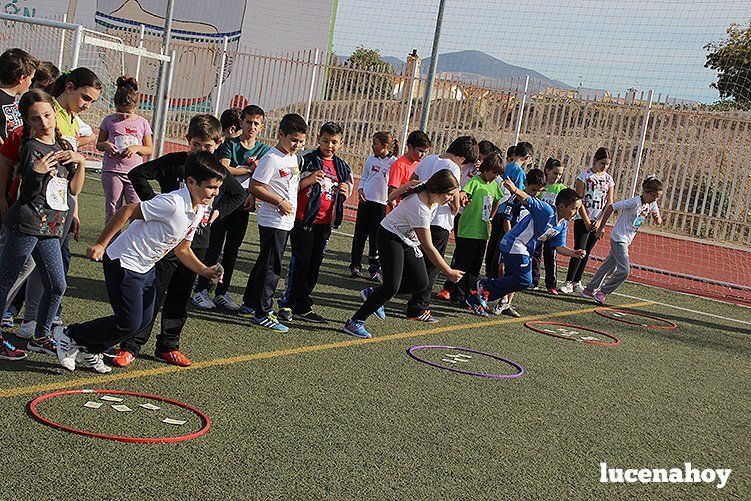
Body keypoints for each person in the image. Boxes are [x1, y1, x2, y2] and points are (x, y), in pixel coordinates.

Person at [54, 152, 224, 373]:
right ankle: (71, 335)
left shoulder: (198, 208)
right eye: (211, 187)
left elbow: (182, 248)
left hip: (145, 267)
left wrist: (205, 270)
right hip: (123, 262)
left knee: (143, 321)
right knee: (129, 322)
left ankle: (91, 349)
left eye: (218, 187)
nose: (215, 193)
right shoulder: (172, 203)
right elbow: (126, 211)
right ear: (191, 182)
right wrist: (100, 244)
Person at [120, 115, 245, 367]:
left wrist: (219, 211)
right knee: (154, 293)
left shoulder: (215, 171)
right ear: (188, 141)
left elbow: (240, 194)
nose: (201, 150)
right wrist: (153, 202)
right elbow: (138, 173)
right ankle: (131, 345)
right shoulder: (176, 162)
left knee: (180, 295)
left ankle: (168, 345)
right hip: (167, 243)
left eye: (207, 146)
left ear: (218, 143)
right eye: (196, 145)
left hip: (196, 243)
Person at [0, 89, 86, 360]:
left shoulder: (64, 148)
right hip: (26, 225)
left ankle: (41, 336)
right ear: (29, 122)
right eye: (36, 119)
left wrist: (81, 162)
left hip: (51, 227)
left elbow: (73, 189)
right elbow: (25, 196)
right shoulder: (29, 148)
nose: (44, 123)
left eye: (47, 115)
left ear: (54, 113)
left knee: (57, 284)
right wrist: (35, 174)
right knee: (5, 281)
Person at [343, 169, 465, 339]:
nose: (452, 199)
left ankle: (374, 294)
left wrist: (393, 198)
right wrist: (449, 272)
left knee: (421, 282)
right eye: (450, 195)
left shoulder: (428, 191)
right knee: (391, 286)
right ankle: (355, 322)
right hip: (390, 236)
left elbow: (408, 186)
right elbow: (428, 247)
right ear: (437, 190)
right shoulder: (420, 207)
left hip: (407, 240)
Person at [387, 135, 477, 323]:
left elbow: (413, 179)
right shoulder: (453, 167)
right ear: (462, 158)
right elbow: (452, 196)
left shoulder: (429, 159)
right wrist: (458, 205)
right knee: (431, 267)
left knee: (417, 262)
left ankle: (388, 292)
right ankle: (419, 306)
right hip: (439, 219)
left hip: (422, 216)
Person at [192, 105, 270, 311]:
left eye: (256, 124)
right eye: (248, 122)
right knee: (213, 246)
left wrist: (252, 194)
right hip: (222, 202)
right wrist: (248, 169)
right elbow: (224, 169)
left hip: (243, 204)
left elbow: (261, 176)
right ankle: (201, 290)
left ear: (261, 127)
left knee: (232, 250)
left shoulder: (264, 149)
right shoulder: (230, 145)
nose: (251, 127)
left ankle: (221, 291)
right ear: (241, 123)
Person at [238, 113, 307, 332]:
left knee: (264, 262)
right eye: (293, 140)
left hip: (285, 221)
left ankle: (250, 302)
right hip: (272, 220)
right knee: (272, 266)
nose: (297, 145)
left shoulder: (292, 158)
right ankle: (263, 312)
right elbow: (255, 186)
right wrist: (279, 202)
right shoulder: (272, 158)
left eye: (301, 141)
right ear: (281, 135)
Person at [469, 180, 586, 309]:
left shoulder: (563, 224)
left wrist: (573, 253)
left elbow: (558, 247)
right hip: (515, 243)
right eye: (574, 208)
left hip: (524, 249)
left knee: (517, 280)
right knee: (525, 280)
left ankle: (476, 298)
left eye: (578, 209)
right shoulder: (548, 211)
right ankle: (485, 286)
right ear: (562, 207)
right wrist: (514, 190)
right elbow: (528, 200)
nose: (577, 212)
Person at [278, 121, 353, 323]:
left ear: (341, 143)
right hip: (304, 219)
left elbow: (348, 187)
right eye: (326, 141)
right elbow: (290, 186)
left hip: (325, 223)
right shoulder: (305, 159)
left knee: (314, 265)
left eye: (334, 142)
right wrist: (309, 180)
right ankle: (287, 303)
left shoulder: (342, 166)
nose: (329, 146)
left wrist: (346, 193)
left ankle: (303, 304)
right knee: (300, 263)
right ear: (318, 139)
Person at [581, 177, 663, 304]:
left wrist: (657, 218)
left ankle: (589, 290)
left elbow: (657, 218)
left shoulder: (651, 203)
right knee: (624, 271)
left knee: (608, 267)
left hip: (627, 239)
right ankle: (603, 292)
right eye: (654, 196)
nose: (655, 199)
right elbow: (611, 207)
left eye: (658, 197)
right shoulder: (634, 202)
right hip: (619, 238)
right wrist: (601, 227)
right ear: (646, 191)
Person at [443, 152, 504, 307]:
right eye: (494, 172)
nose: (495, 176)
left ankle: (469, 294)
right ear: (486, 168)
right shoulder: (474, 182)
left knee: (475, 266)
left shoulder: (494, 185)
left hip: (482, 232)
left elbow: (498, 200)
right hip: (468, 230)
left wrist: (491, 216)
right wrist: (463, 198)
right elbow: (463, 193)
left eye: (498, 174)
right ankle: (457, 293)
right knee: (463, 264)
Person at [490, 168, 548, 317]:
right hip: (512, 241)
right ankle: (501, 298)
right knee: (503, 269)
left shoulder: (537, 204)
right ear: (526, 184)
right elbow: (506, 217)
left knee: (518, 273)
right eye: (533, 189)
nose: (535, 193)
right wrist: (510, 235)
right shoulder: (516, 198)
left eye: (538, 191)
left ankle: (507, 302)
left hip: (526, 244)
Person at [96, 76, 153, 222]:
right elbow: (99, 144)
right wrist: (106, 145)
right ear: (115, 105)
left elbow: (149, 149)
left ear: (135, 106)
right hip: (112, 171)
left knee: (135, 208)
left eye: (128, 112)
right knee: (113, 207)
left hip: (134, 173)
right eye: (121, 112)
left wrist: (136, 148)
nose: (125, 115)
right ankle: (111, 241)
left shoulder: (142, 122)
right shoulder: (109, 120)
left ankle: (133, 241)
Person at [560, 147, 613, 294]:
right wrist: (586, 221)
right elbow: (579, 200)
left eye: (607, 164)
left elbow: (609, 202)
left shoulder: (608, 179)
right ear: (595, 160)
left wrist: (601, 223)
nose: (605, 167)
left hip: (597, 221)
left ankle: (577, 280)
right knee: (580, 249)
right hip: (583, 219)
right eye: (602, 163)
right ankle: (569, 281)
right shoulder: (585, 176)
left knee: (587, 251)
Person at [349, 131, 397, 281]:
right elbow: (364, 178)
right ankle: (355, 266)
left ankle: (374, 269)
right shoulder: (371, 159)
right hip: (366, 202)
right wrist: (361, 189)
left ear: (384, 145)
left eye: (375, 143)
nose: (372, 146)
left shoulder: (394, 162)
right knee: (360, 235)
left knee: (376, 238)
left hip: (382, 204)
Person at [485, 143, 531, 279]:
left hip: (498, 209)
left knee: (493, 242)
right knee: (502, 243)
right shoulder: (519, 172)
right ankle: (495, 273)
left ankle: (489, 271)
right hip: (508, 212)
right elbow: (520, 193)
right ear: (528, 157)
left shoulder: (506, 166)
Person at [531, 158, 567, 294]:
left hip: (553, 229)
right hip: (540, 227)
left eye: (559, 174)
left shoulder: (561, 189)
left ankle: (551, 284)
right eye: (554, 173)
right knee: (535, 254)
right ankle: (533, 281)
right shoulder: (541, 187)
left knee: (551, 255)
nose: (557, 177)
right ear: (547, 171)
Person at [385, 130, 430, 211]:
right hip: (401, 212)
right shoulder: (399, 165)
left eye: (425, 152)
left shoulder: (421, 164)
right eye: (420, 151)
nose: (423, 155)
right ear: (410, 147)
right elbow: (392, 191)